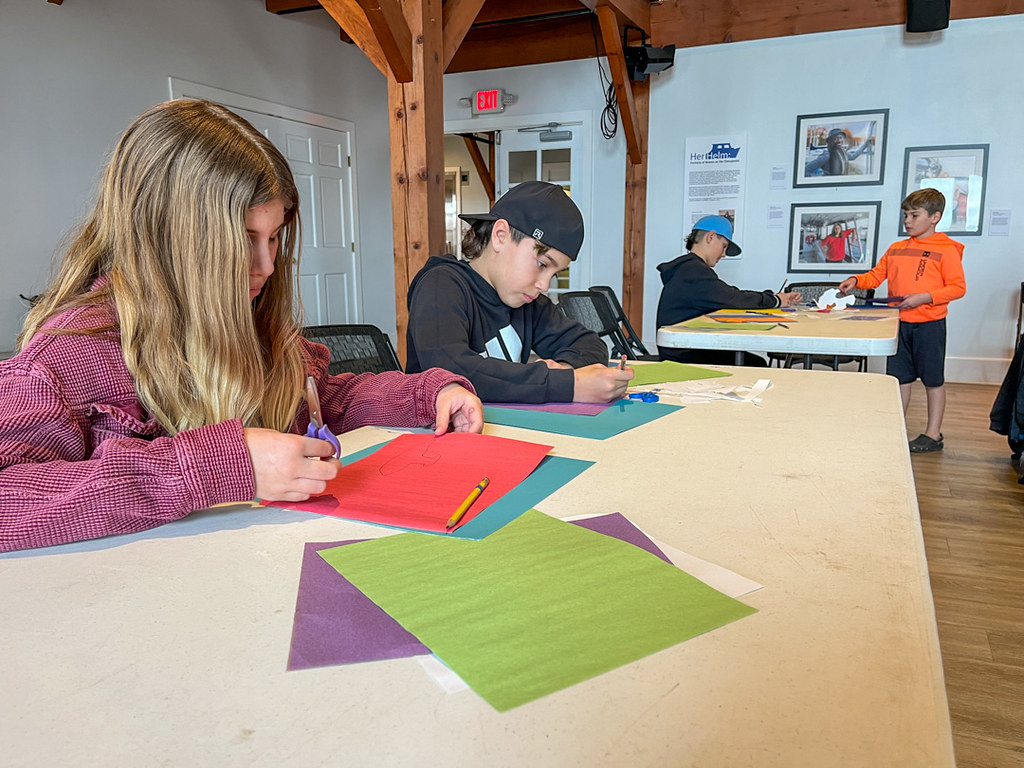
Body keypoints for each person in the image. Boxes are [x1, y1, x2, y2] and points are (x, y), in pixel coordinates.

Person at [0, 99, 483, 553]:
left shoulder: (250, 320)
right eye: (244, 240)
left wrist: (426, 394)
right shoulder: (68, 356)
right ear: (169, 239)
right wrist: (221, 465)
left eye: (274, 239)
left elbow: (324, 399)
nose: (268, 265)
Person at [405, 181, 633, 403]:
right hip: (434, 436)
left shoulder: (528, 303)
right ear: (500, 236)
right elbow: (450, 371)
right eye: (542, 264)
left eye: (554, 274)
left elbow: (590, 345)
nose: (544, 285)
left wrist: (566, 369)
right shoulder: (440, 286)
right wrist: (566, 385)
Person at [839, 188, 966, 453]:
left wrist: (924, 297)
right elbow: (876, 275)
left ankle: (933, 435)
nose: (907, 221)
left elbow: (958, 287)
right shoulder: (896, 249)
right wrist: (856, 281)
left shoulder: (947, 250)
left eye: (914, 215)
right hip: (898, 325)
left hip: (930, 325)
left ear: (935, 217)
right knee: (900, 379)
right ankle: (896, 429)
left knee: (933, 380)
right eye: (905, 215)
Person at [655, 215, 802, 366]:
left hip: (685, 347)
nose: (724, 254)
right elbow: (733, 298)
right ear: (710, 237)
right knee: (756, 364)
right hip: (685, 355)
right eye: (724, 246)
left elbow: (727, 295)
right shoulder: (694, 271)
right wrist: (776, 300)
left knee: (753, 361)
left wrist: (770, 297)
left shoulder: (688, 269)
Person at [804, 126, 875, 177]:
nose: (839, 140)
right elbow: (807, 169)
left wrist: (866, 144)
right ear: (831, 141)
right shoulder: (826, 156)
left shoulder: (842, 153)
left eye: (840, 138)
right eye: (835, 138)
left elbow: (853, 156)